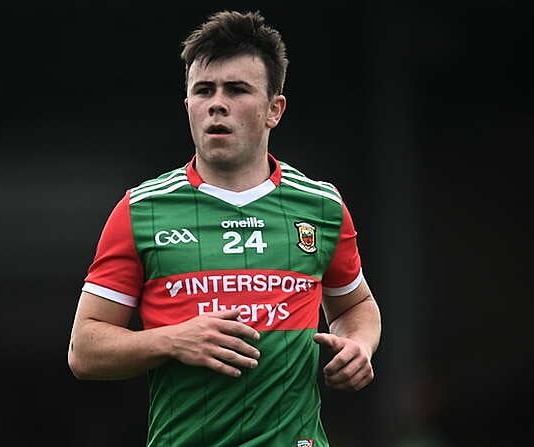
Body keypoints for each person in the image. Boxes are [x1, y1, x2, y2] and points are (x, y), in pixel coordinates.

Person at [67, 9, 382, 447]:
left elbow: (354, 307)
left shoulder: (321, 207)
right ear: (188, 107)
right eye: (203, 90)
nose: (217, 103)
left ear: (275, 109)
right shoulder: (141, 210)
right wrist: (175, 340)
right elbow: (85, 350)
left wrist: (359, 345)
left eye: (236, 90)